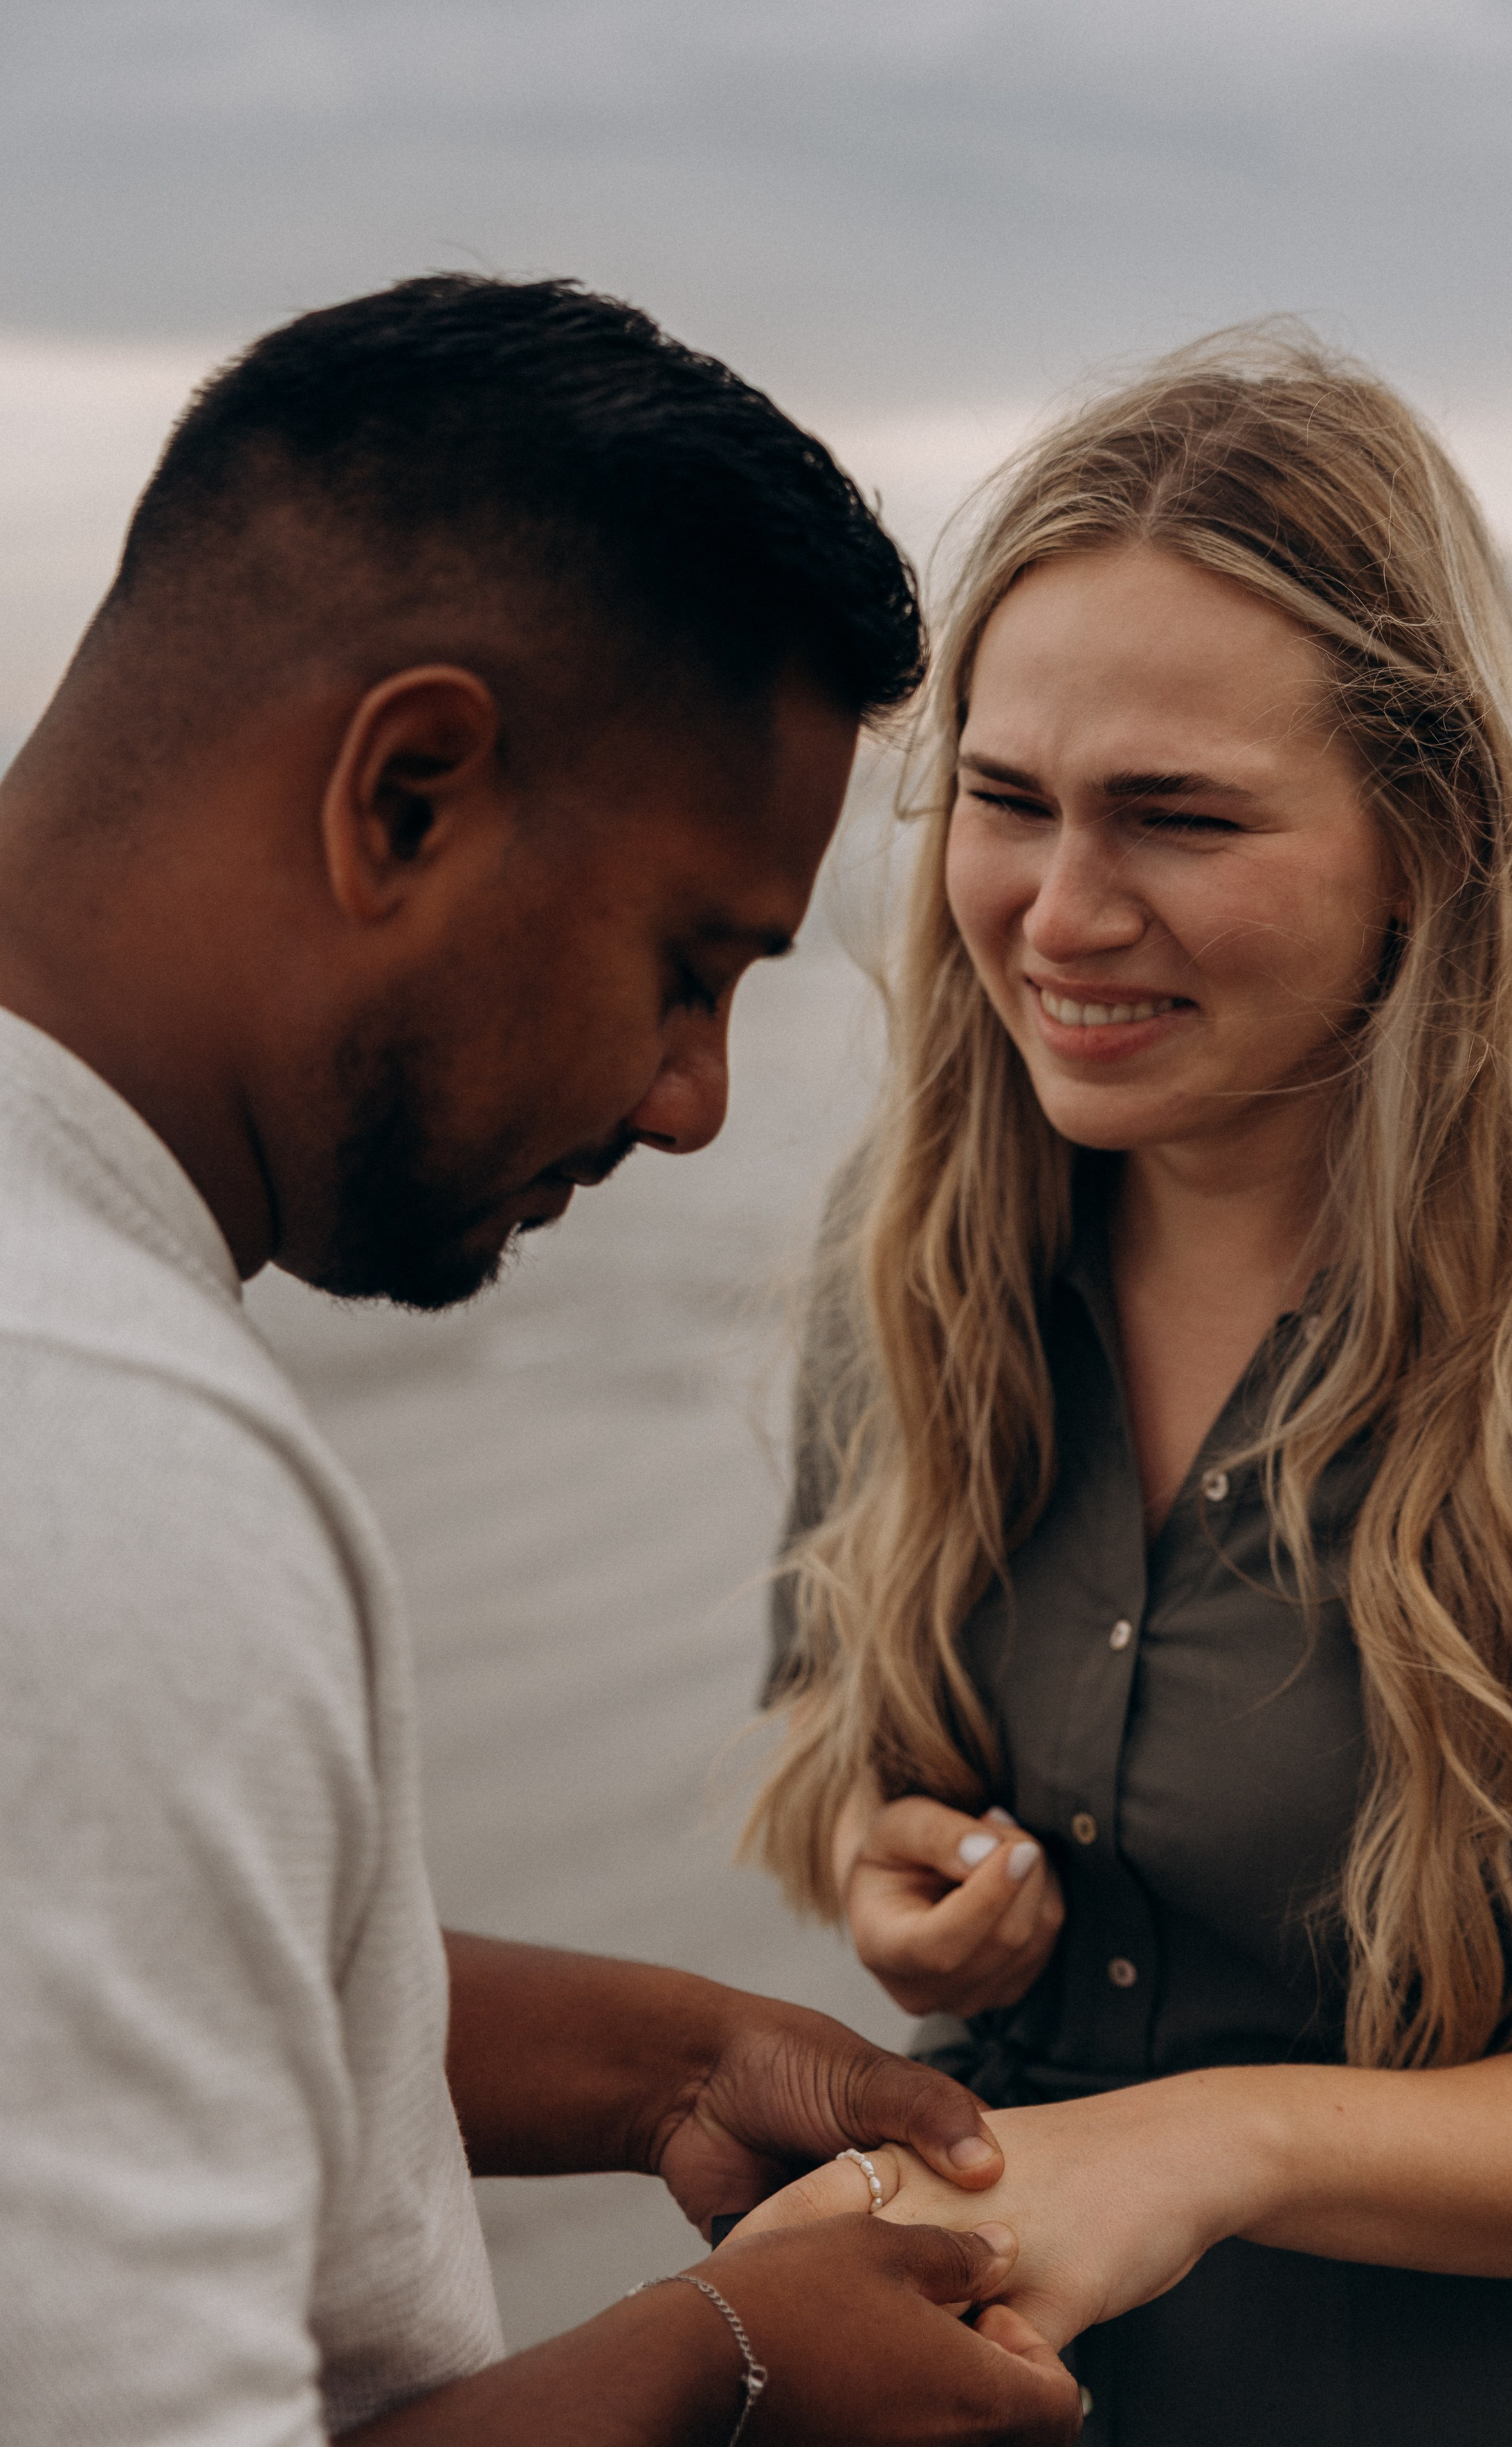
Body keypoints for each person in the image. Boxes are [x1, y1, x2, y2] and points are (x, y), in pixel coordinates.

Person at [0, 274, 1080, 2447]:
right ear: (407, 796)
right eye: (689, 964)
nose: (694, 1102)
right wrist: (731, 2361)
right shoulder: (113, 1466)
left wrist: (672, 2063)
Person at [743, 328, 1512, 2444]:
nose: (1062, 913)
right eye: (1007, 802)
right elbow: (842, 1747)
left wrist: (1219, 2142)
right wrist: (885, 1869)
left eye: (1179, 817)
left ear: (1436, 833)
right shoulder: (911, 1252)